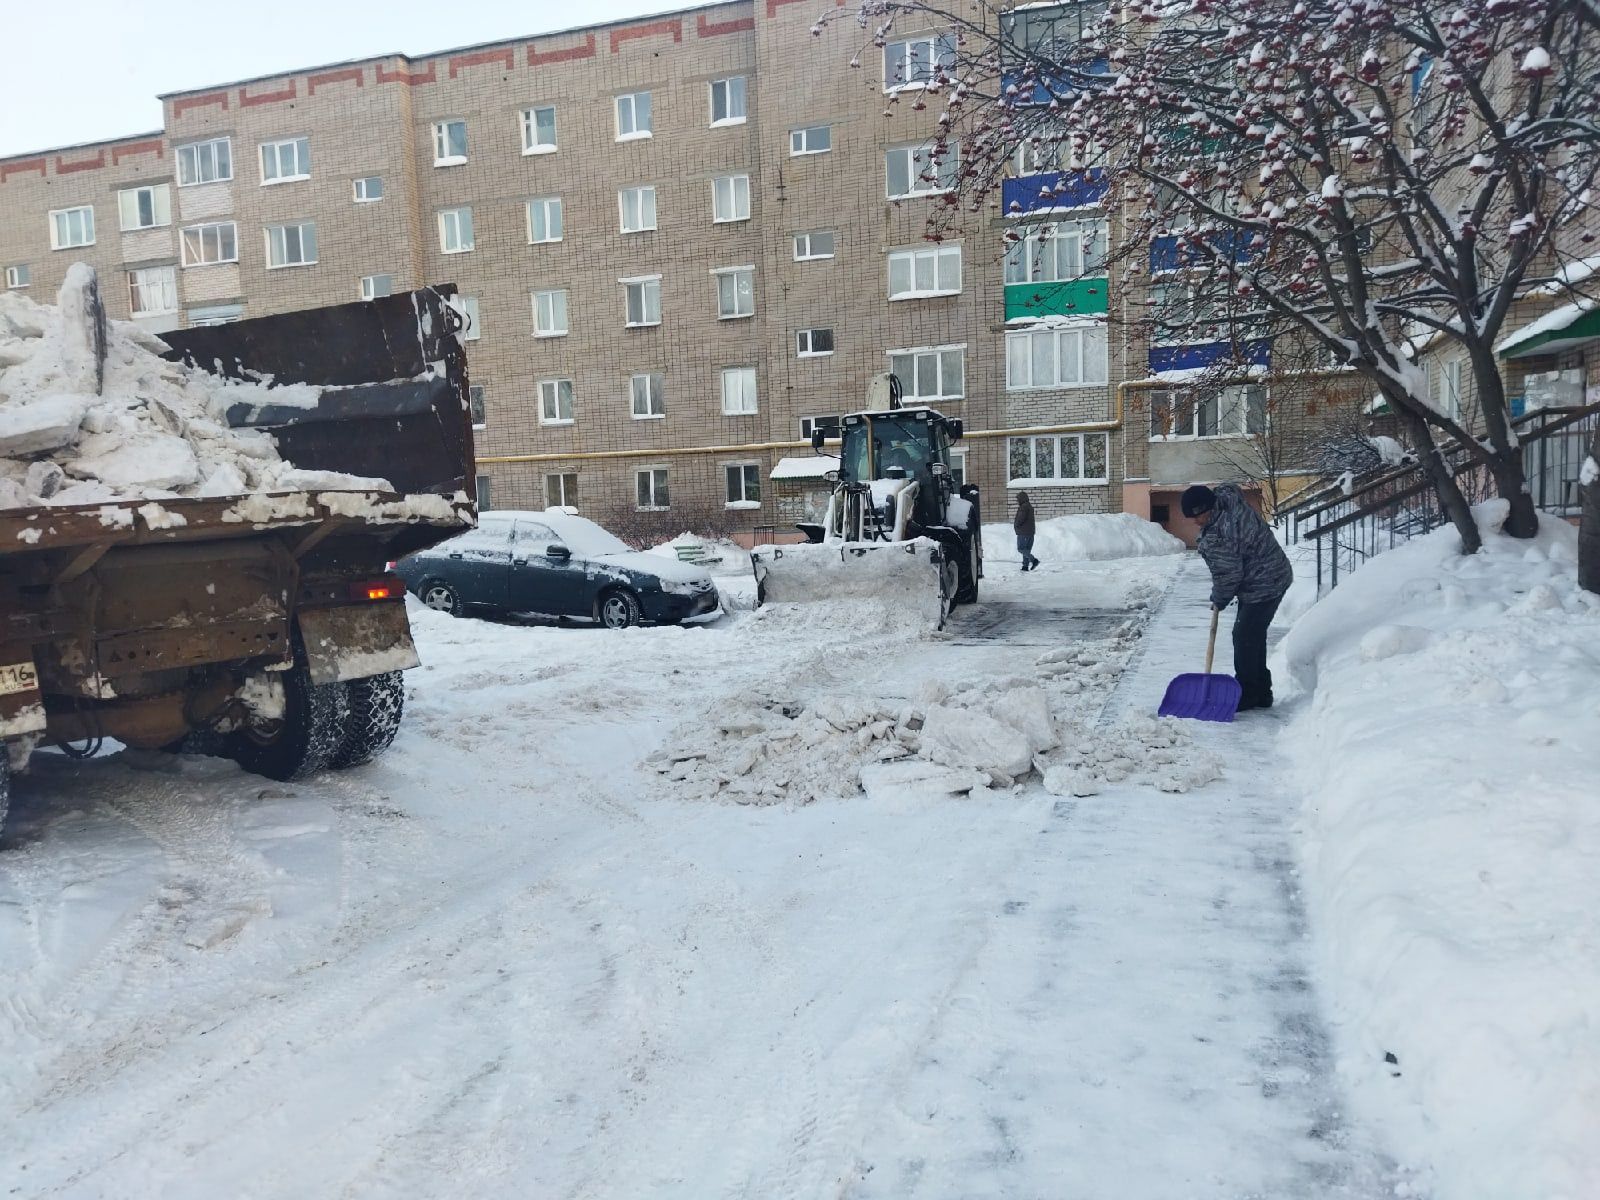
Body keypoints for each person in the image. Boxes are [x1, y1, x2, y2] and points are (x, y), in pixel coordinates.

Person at [1182, 483, 1293, 711]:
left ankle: (1248, 693)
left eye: (1196, 516)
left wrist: (1219, 598)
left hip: (1264, 584)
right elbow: (1227, 486)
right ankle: (1261, 691)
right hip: (1273, 573)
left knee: (1243, 636)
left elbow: (1228, 575)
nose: (1194, 522)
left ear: (1207, 509)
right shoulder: (1229, 501)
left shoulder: (1221, 534)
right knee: (1252, 634)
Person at [1014, 491, 1040, 572]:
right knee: (1026, 550)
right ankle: (1025, 566)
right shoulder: (1029, 506)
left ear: (1022, 499)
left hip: (1023, 532)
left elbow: (1021, 518)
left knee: (1021, 549)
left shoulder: (1024, 507)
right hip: (1030, 532)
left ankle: (1034, 560)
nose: (1017, 501)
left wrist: (1016, 525)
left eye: (1018, 499)